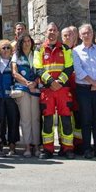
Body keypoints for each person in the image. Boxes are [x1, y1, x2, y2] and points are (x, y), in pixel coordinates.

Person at [34, 22, 75, 159]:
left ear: (58, 33)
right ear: (46, 33)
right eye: (49, 30)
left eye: (54, 30)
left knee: (66, 120)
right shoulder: (38, 49)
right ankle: (48, 149)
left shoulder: (65, 49)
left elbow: (69, 68)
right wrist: (51, 82)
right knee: (48, 121)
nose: (52, 33)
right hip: (47, 90)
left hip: (63, 89)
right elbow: (38, 68)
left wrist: (59, 82)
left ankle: (67, 148)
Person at [72, 24, 96, 159]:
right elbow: (79, 71)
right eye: (84, 33)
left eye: (89, 33)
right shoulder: (76, 51)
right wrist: (93, 83)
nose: (86, 35)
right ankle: (87, 148)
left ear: (92, 34)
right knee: (86, 120)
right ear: (80, 36)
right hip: (84, 90)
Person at [11, 33, 41, 158]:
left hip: (35, 89)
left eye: (29, 41)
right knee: (25, 118)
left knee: (36, 118)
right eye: (24, 41)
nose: (27, 43)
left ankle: (37, 146)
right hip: (22, 89)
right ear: (20, 43)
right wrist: (26, 83)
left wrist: (34, 83)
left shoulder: (36, 54)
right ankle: (27, 146)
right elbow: (14, 72)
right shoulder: (16, 55)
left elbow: (41, 71)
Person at [0, 39, 19, 156]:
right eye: (3, 48)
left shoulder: (13, 63)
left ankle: (12, 145)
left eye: (8, 48)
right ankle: (0, 143)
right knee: (0, 121)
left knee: (13, 120)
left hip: (11, 96)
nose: (5, 50)